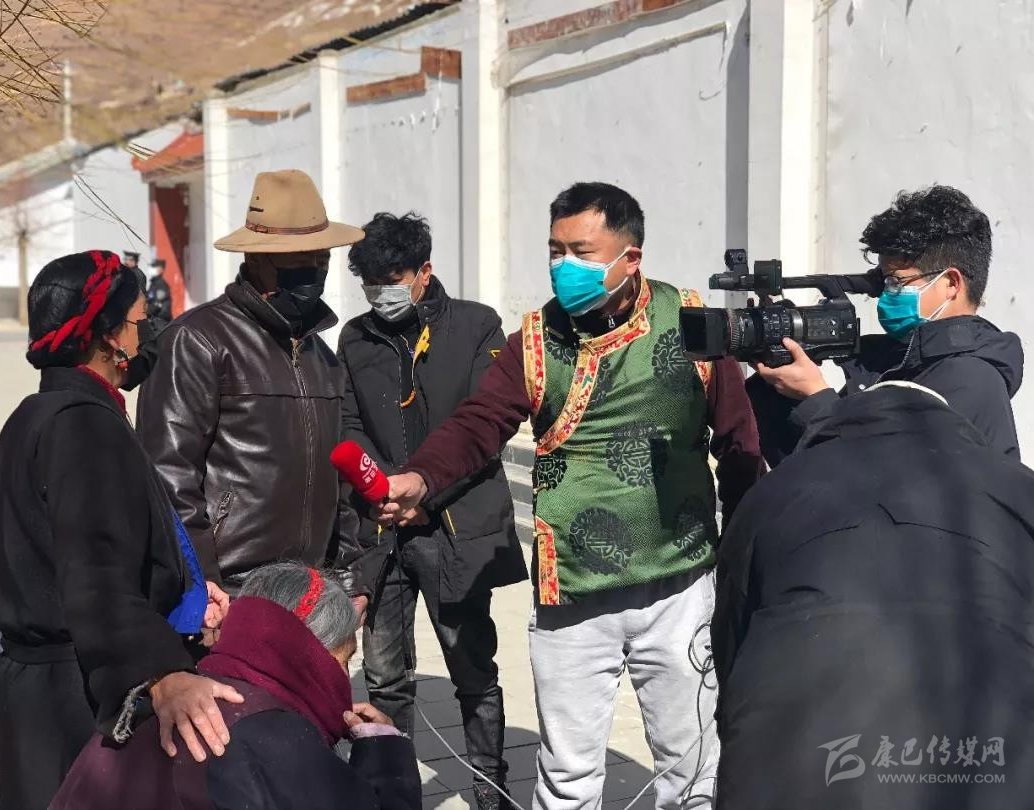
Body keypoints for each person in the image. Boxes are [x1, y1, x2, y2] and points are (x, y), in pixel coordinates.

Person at [380, 182, 765, 809]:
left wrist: (749, 562)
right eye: (555, 251)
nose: (563, 267)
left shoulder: (694, 324)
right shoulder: (534, 340)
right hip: (572, 592)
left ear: (630, 258)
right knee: (568, 777)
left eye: (581, 253)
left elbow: (739, 442)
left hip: (681, 583)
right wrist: (421, 477)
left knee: (693, 769)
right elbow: (479, 424)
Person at [0, 251, 242, 810]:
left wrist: (186, 595)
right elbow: (95, 576)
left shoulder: (36, 413)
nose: (147, 333)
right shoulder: (83, 428)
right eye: (140, 321)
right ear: (110, 338)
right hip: (71, 697)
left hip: (36, 691)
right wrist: (163, 673)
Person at [712, 381, 1034, 809]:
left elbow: (730, 638)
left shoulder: (774, 490)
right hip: (993, 762)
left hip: (788, 765)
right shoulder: (1019, 487)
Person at [339, 212, 527, 809]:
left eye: (391, 280)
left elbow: (485, 429)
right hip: (384, 530)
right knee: (385, 675)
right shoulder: (355, 338)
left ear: (424, 271)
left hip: (452, 525)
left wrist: (424, 493)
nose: (380, 294)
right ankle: (391, 790)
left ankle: (490, 789)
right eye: (370, 284)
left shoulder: (476, 325)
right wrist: (382, 491)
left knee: (472, 668)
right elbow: (349, 423)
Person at [136, 170, 367, 607]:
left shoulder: (322, 357)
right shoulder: (197, 341)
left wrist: (350, 578)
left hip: (314, 592)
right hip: (232, 592)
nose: (315, 270)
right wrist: (203, 586)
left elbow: (340, 482)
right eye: (299, 260)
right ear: (258, 260)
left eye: (321, 258)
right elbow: (168, 477)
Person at [51, 562, 423, 810]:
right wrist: (385, 753)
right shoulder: (278, 738)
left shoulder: (175, 692)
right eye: (343, 660)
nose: (343, 678)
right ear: (311, 652)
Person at [749, 185, 1023, 465]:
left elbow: (886, 472)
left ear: (951, 284)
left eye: (896, 282)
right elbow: (813, 470)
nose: (885, 295)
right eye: (882, 282)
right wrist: (779, 384)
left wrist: (815, 397)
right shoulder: (901, 363)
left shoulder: (969, 379)